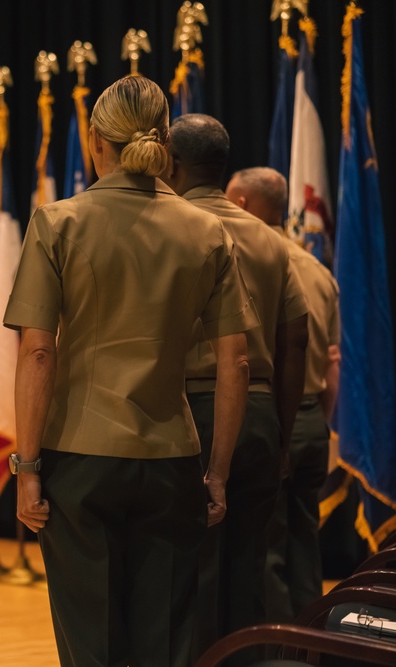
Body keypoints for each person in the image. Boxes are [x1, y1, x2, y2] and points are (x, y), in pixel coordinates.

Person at [5, 77, 253, 667]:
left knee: (91, 644)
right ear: (164, 140)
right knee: (165, 643)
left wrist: (28, 468)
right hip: (172, 459)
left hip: (80, 460)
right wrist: (217, 473)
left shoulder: (57, 222)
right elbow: (235, 361)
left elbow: (39, 353)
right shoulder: (207, 229)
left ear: (96, 141)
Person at [162, 115, 309, 659]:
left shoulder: (166, 224)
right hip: (264, 412)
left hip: (191, 409)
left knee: (188, 568)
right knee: (247, 569)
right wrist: (283, 432)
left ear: (170, 163)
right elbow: (295, 340)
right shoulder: (272, 241)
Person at [226, 166, 341, 620]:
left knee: (266, 549)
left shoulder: (245, 262)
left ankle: (278, 649)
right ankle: (316, 640)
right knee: (304, 543)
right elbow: (332, 361)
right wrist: (318, 421)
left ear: (241, 205)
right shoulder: (317, 270)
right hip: (312, 419)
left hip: (271, 415)